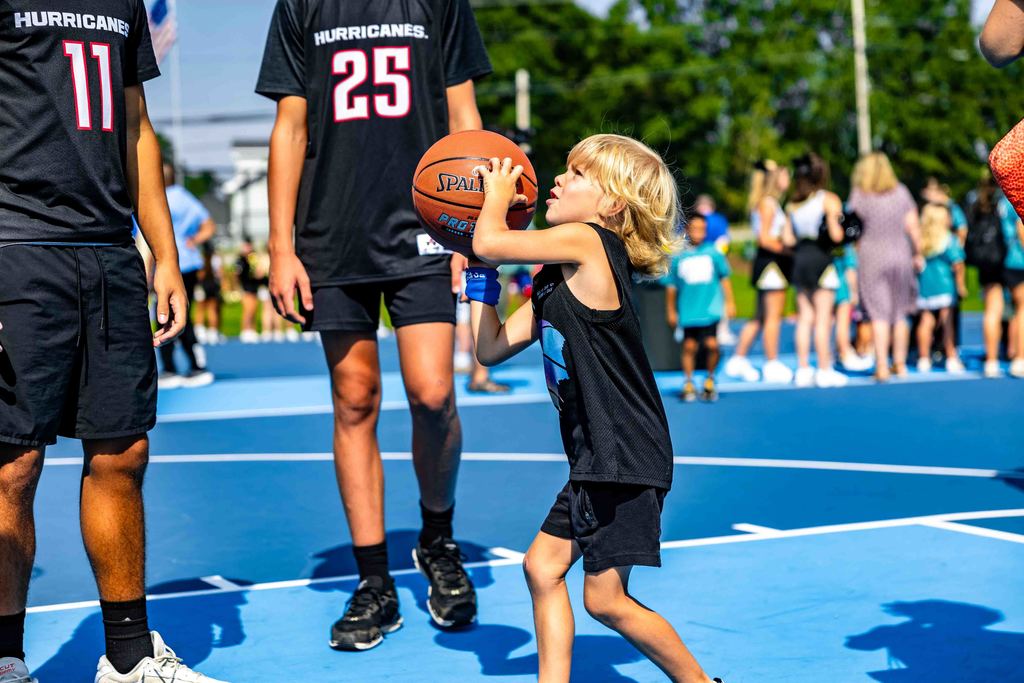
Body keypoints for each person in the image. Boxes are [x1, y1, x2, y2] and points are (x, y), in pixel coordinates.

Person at [256, 0, 492, 650]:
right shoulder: (302, 5)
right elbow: (289, 124)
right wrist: (281, 246)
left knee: (434, 393)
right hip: (333, 232)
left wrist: (470, 223)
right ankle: (373, 580)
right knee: (355, 397)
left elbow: (463, 113)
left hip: (425, 223)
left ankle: (438, 540)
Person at [0, 3, 224, 682]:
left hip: (107, 252)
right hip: (15, 245)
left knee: (122, 452)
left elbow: (136, 125)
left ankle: (127, 655)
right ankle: (5, 656)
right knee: (11, 465)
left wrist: (163, 249)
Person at [467, 135, 724, 683]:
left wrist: (489, 198)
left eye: (576, 175)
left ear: (612, 206)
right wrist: (477, 278)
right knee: (542, 568)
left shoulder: (589, 242)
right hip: (597, 454)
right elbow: (489, 348)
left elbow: (491, 238)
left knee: (606, 601)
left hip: (624, 451)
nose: (557, 181)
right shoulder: (555, 278)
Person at [847, 152, 922, 383]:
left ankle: (881, 365)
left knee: (878, 313)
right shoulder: (900, 192)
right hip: (900, 253)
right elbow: (913, 226)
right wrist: (918, 252)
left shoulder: (860, 195)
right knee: (899, 313)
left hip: (871, 256)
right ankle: (899, 363)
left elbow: (851, 226)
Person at [724, 160, 795, 384]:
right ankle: (771, 362)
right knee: (773, 317)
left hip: (769, 264)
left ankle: (738, 357)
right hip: (771, 264)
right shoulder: (767, 203)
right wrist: (791, 251)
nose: (789, 179)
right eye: (785, 175)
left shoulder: (768, 202)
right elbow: (764, 238)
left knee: (760, 316)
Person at [784, 153, 848, 388]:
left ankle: (803, 368)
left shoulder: (793, 203)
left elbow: (788, 238)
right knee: (823, 318)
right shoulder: (828, 199)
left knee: (804, 318)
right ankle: (824, 368)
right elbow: (836, 235)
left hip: (801, 257)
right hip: (821, 257)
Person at [665, 214, 736, 402]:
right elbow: (671, 286)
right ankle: (688, 382)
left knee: (712, 344)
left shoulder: (713, 253)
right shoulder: (679, 256)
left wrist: (730, 303)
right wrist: (671, 310)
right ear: (687, 229)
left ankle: (710, 379)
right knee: (689, 346)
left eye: (702, 229)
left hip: (710, 309)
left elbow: (725, 279)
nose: (699, 233)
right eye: (695, 228)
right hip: (688, 311)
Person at [157, 163, 216, 388]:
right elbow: (209, 225)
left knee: (164, 314)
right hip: (187, 262)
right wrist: (192, 241)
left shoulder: (156, 198)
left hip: (166, 265)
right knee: (183, 314)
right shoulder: (184, 198)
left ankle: (171, 367)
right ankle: (195, 364)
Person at [915, 204, 967, 373]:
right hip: (944, 285)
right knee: (947, 322)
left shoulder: (922, 240)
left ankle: (923, 358)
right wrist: (960, 285)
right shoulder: (948, 239)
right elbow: (958, 263)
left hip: (925, 285)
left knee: (926, 321)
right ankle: (951, 356)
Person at [967, 176, 1010, 377]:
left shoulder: (976, 204)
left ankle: (991, 359)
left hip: (985, 261)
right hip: (1003, 258)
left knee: (991, 309)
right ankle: (1013, 354)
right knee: (1015, 309)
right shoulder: (1004, 202)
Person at [695, 194, 736, 345]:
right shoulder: (719, 220)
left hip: (697, 264)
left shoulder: (692, 220)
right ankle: (722, 331)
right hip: (714, 262)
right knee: (719, 296)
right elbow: (724, 242)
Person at [996, 193, 1024, 378]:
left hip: (1006, 259)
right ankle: (1020, 358)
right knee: (1022, 310)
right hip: (1019, 260)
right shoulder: (1018, 198)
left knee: (1016, 310)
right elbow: (1021, 230)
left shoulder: (1002, 200)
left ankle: (1012, 350)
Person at [833, 245, 873, 371]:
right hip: (843, 289)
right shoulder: (847, 248)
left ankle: (838, 353)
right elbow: (850, 271)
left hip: (829, 285)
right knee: (842, 323)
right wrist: (854, 292)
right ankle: (845, 353)